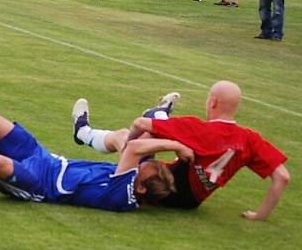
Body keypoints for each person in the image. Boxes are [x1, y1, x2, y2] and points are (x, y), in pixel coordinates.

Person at [0, 109, 195, 212]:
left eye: (145, 168)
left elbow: (133, 148)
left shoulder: (123, 194)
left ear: (140, 188)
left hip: (40, 185)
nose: (144, 164)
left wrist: (176, 145)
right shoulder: (136, 180)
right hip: (44, 159)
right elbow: (132, 142)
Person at [72, 81, 289, 220]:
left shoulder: (200, 128)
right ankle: (159, 113)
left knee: (126, 136)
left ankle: (82, 130)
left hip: (161, 190)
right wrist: (259, 215)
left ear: (212, 102)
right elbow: (282, 177)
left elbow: (138, 124)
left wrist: (127, 148)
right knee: (152, 135)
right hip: (190, 202)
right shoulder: (249, 138)